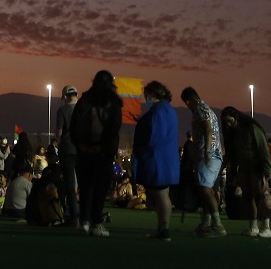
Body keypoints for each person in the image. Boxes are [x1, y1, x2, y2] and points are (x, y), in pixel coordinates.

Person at [70, 70, 124, 238]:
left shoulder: (84, 100)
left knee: (85, 188)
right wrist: (104, 148)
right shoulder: (112, 103)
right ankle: (96, 223)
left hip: (83, 151)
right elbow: (114, 129)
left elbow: (73, 126)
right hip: (102, 153)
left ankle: (84, 222)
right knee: (100, 189)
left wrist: (80, 145)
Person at [132, 80, 179, 241]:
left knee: (161, 195)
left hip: (158, 160)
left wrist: (143, 150)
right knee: (163, 195)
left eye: (146, 95)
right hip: (165, 160)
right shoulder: (167, 110)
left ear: (152, 94)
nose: (145, 98)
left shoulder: (158, 111)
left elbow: (154, 137)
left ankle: (164, 229)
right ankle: (162, 228)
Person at [220, 106, 271, 238]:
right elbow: (232, 154)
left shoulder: (251, 128)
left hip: (257, 167)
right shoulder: (232, 132)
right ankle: (253, 226)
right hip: (244, 167)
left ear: (236, 117)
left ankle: (266, 227)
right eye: (226, 122)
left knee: (261, 195)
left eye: (229, 121)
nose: (228, 124)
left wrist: (267, 169)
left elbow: (262, 148)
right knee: (248, 197)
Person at [55, 85, 81, 227]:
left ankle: (74, 217)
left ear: (65, 96)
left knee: (70, 185)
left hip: (67, 149)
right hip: (83, 150)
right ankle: (86, 216)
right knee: (84, 183)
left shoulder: (62, 110)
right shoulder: (85, 109)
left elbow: (59, 132)